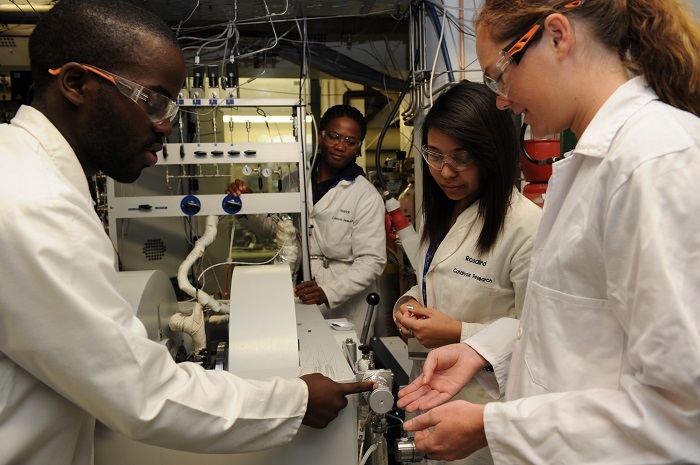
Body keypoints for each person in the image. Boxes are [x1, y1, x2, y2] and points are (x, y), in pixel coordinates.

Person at [0, 1, 375, 464]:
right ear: (77, 83)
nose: (165, 126)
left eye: (172, 107)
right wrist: (293, 401)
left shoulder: (21, 173)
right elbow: (141, 392)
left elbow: (368, 260)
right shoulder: (37, 205)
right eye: (155, 100)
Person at [397, 0, 700, 463]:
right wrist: (482, 349)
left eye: (500, 74)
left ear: (557, 36)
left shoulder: (653, 161)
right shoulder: (586, 168)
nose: (502, 99)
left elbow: (683, 413)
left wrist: (493, 424)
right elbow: (573, 335)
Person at [392, 80, 542, 465]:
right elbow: (434, 279)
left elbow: (536, 336)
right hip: (431, 390)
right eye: (434, 155)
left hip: (484, 410)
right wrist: (408, 303)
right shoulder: (441, 209)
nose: (445, 172)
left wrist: (459, 334)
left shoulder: (526, 227)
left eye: (461, 157)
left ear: (492, 154)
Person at [227, 104, 387, 331]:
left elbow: (372, 261)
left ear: (359, 148)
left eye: (351, 142)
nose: (341, 146)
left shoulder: (365, 195)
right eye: (334, 136)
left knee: (341, 359)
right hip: (296, 286)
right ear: (321, 137)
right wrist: (249, 206)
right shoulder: (294, 180)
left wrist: (328, 291)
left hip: (344, 302)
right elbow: (277, 230)